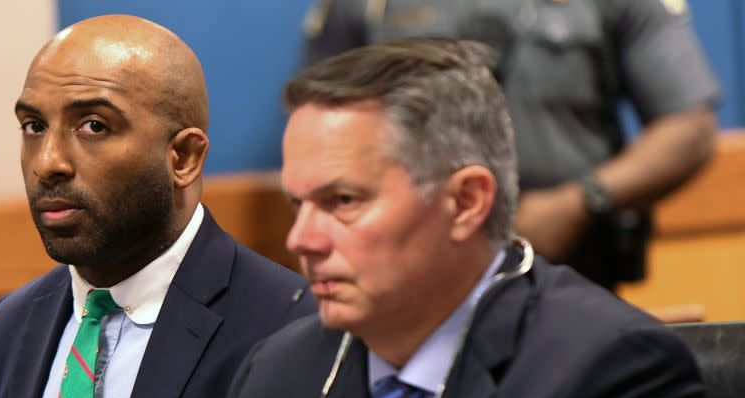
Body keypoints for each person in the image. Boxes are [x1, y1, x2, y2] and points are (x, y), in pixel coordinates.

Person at [175, 38, 723, 398]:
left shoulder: (607, 371)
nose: (302, 239)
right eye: (299, 205)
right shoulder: (276, 374)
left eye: (343, 201)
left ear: (465, 202)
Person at [0, 14, 315, 398]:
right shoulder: (3, 333)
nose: (47, 162)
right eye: (33, 127)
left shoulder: (289, 333)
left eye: (93, 126)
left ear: (184, 157)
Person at [302, 0, 720, 290]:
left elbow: (690, 126)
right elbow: (318, 122)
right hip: (413, 271)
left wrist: (579, 202)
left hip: (571, 265)